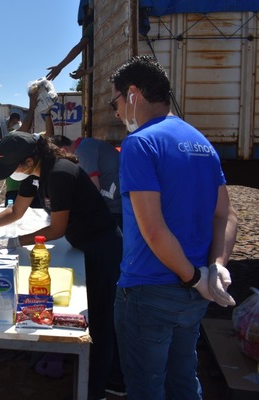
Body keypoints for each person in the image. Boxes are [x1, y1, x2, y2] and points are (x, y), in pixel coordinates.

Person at [0, 131, 123, 399]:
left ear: (31, 160)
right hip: (82, 242)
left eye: (14, 168)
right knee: (93, 312)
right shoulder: (35, 175)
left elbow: (57, 228)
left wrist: (15, 242)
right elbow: (15, 211)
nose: (13, 174)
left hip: (102, 246)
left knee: (101, 318)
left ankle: (106, 385)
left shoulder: (60, 173)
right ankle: (94, 371)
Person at [109, 55, 238, 399]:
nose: (117, 112)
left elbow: (152, 229)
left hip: (149, 290)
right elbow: (226, 215)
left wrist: (195, 278)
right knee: (183, 381)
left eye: (116, 102)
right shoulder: (201, 142)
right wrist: (215, 269)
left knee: (146, 387)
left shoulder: (140, 144)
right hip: (192, 294)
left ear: (133, 94)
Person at [53, 135, 123, 229]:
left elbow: (92, 189)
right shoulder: (86, 145)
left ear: (63, 150)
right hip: (115, 204)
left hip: (115, 208)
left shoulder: (82, 150)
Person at [4, 112, 23, 206]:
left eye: (9, 122)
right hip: (16, 183)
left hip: (14, 185)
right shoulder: (24, 134)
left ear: (15, 121)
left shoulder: (12, 135)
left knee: (11, 208)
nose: (7, 124)